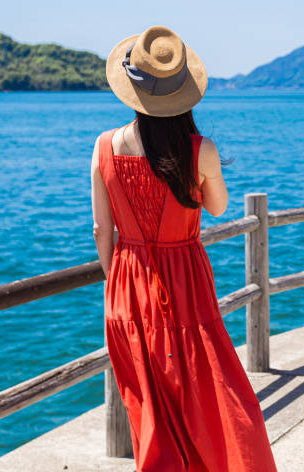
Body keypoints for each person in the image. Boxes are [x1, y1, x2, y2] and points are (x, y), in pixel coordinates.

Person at [90, 25, 277, 471]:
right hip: (185, 283)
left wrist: (117, 279)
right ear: (182, 94)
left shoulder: (102, 147)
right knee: (214, 393)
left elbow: (101, 229)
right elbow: (217, 207)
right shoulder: (200, 149)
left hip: (126, 286)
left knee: (151, 412)